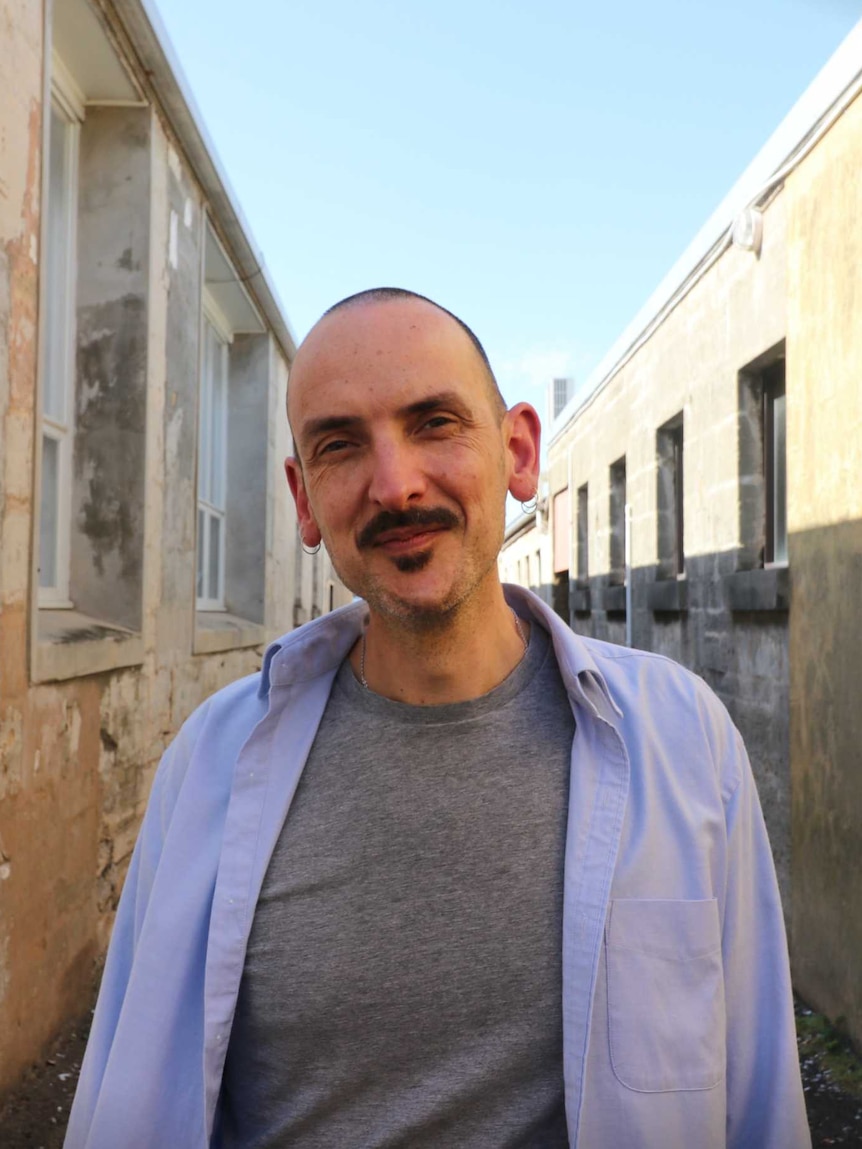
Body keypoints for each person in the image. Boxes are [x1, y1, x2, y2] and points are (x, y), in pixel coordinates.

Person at [65, 288, 810, 1149]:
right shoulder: (209, 766)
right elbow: (120, 1100)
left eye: (434, 423)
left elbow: (760, 1099)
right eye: (341, 446)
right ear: (304, 499)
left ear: (518, 451)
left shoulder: (685, 743)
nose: (395, 484)